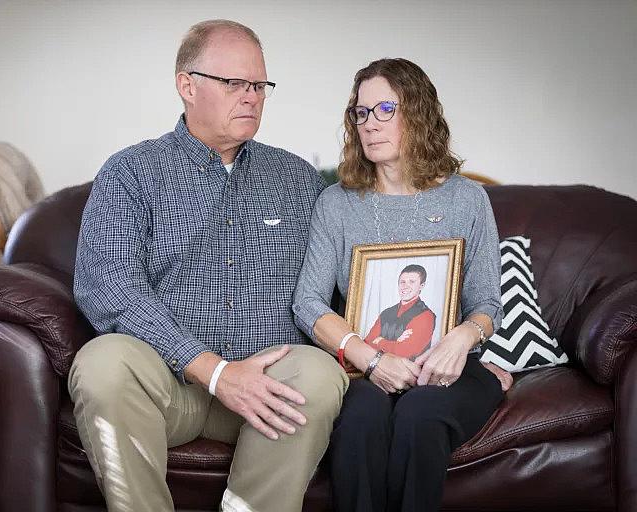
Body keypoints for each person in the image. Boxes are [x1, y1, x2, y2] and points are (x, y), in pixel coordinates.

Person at [68, 20, 348, 512]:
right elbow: (109, 286)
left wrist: (463, 350)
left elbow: (346, 284)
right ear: (187, 85)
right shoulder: (130, 172)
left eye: (260, 86)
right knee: (102, 363)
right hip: (168, 387)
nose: (252, 97)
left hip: (269, 388)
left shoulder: (298, 179)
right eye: (235, 83)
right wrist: (215, 373)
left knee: (320, 373)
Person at [292, 58, 513, 512]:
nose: (370, 124)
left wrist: (462, 338)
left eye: (385, 109)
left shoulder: (468, 198)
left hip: (447, 366)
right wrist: (371, 360)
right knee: (362, 419)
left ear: (418, 113)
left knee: (420, 414)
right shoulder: (336, 204)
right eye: (361, 112)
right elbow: (309, 302)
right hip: (365, 365)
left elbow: (489, 301)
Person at [365, 264, 436, 359]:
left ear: (421, 286)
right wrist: (396, 342)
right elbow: (365, 346)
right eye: (402, 282)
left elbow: (405, 351)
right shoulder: (386, 313)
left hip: (407, 372)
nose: (405, 286)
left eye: (412, 282)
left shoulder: (426, 316)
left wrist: (380, 341)